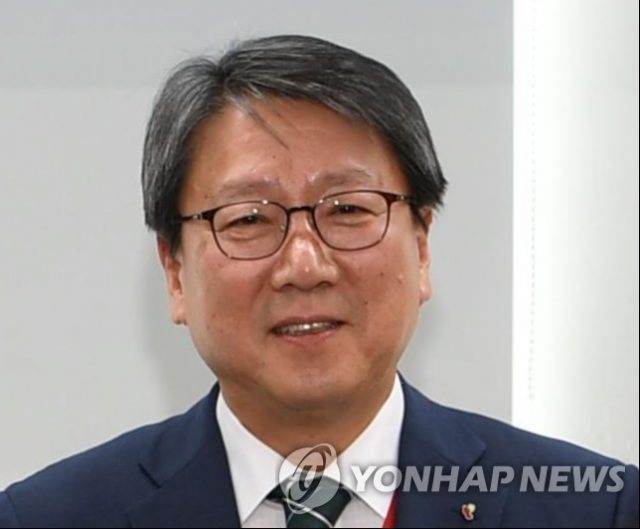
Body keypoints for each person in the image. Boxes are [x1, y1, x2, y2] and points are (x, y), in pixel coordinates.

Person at [0, 35, 637, 529]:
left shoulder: (595, 509)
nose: (305, 265)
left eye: (349, 209)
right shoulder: (46, 518)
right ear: (174, 272)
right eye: (248, 219)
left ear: (421, 246)